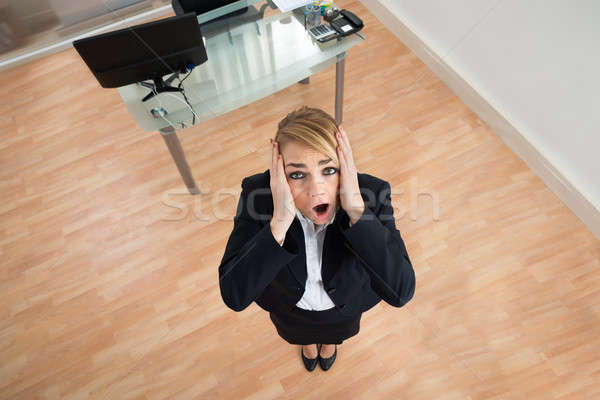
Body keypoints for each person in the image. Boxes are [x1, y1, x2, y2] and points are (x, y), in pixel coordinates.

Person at [218, 106, 415, 372]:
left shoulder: (371, 194)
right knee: (300, 336)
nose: (316, 190)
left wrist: (357, 211)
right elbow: (234, 293)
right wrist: (279, 222)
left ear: (344, 166)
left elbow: (400, 291)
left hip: (344, 308)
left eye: (329, 170)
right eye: (297, 175)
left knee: (335, 334)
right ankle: (308, 344)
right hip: (290, 310)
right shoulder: (258, 194)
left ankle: (330, 343)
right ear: (279, 171)